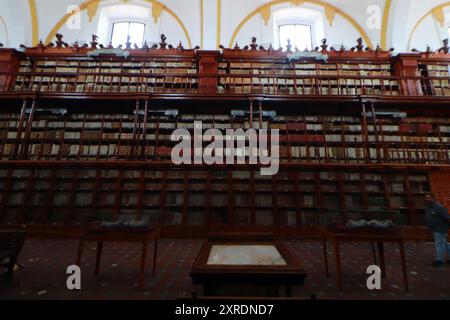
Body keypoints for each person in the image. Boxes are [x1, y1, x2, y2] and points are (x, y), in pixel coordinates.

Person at [424, 194, 450, 268]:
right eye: (425, 198)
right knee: (444, 244)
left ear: (433, 198)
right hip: (434, 228)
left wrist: (446, 227)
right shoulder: (428, 207)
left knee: (439, 245)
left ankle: (439, 261)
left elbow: (447, 218)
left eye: (428, 198)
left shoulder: (439, 207)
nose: (426, 199)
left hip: (440, 228)